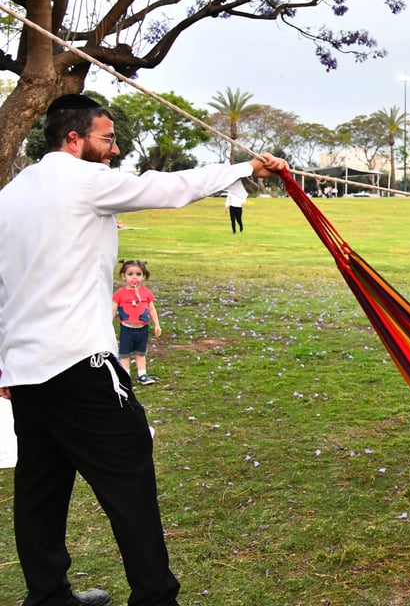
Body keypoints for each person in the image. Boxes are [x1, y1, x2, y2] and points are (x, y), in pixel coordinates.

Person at [0, 93, 288, 606]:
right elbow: (167, 187)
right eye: (106, 139)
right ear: (73, 138)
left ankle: (48, 596)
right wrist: (245, 165)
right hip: (78, 366)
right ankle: (155, 597)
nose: (113, 151)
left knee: (39, 488)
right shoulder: (80, 179)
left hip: (26, 372)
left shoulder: (13, 192)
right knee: (129, 477)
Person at [112, 259, 162, 384]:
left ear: (143, 276)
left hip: (142, 329)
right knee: (125, 354)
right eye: (130, 274)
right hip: (127, 329)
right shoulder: (120, 294)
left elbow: (151, 309)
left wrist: (157, 324)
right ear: (124, 276)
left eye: (138, 274)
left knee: (140, 352)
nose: (134, 277)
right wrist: (108, 323)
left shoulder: (145, 293)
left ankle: (142, 374)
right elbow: (113, 310)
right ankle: (125, 376)